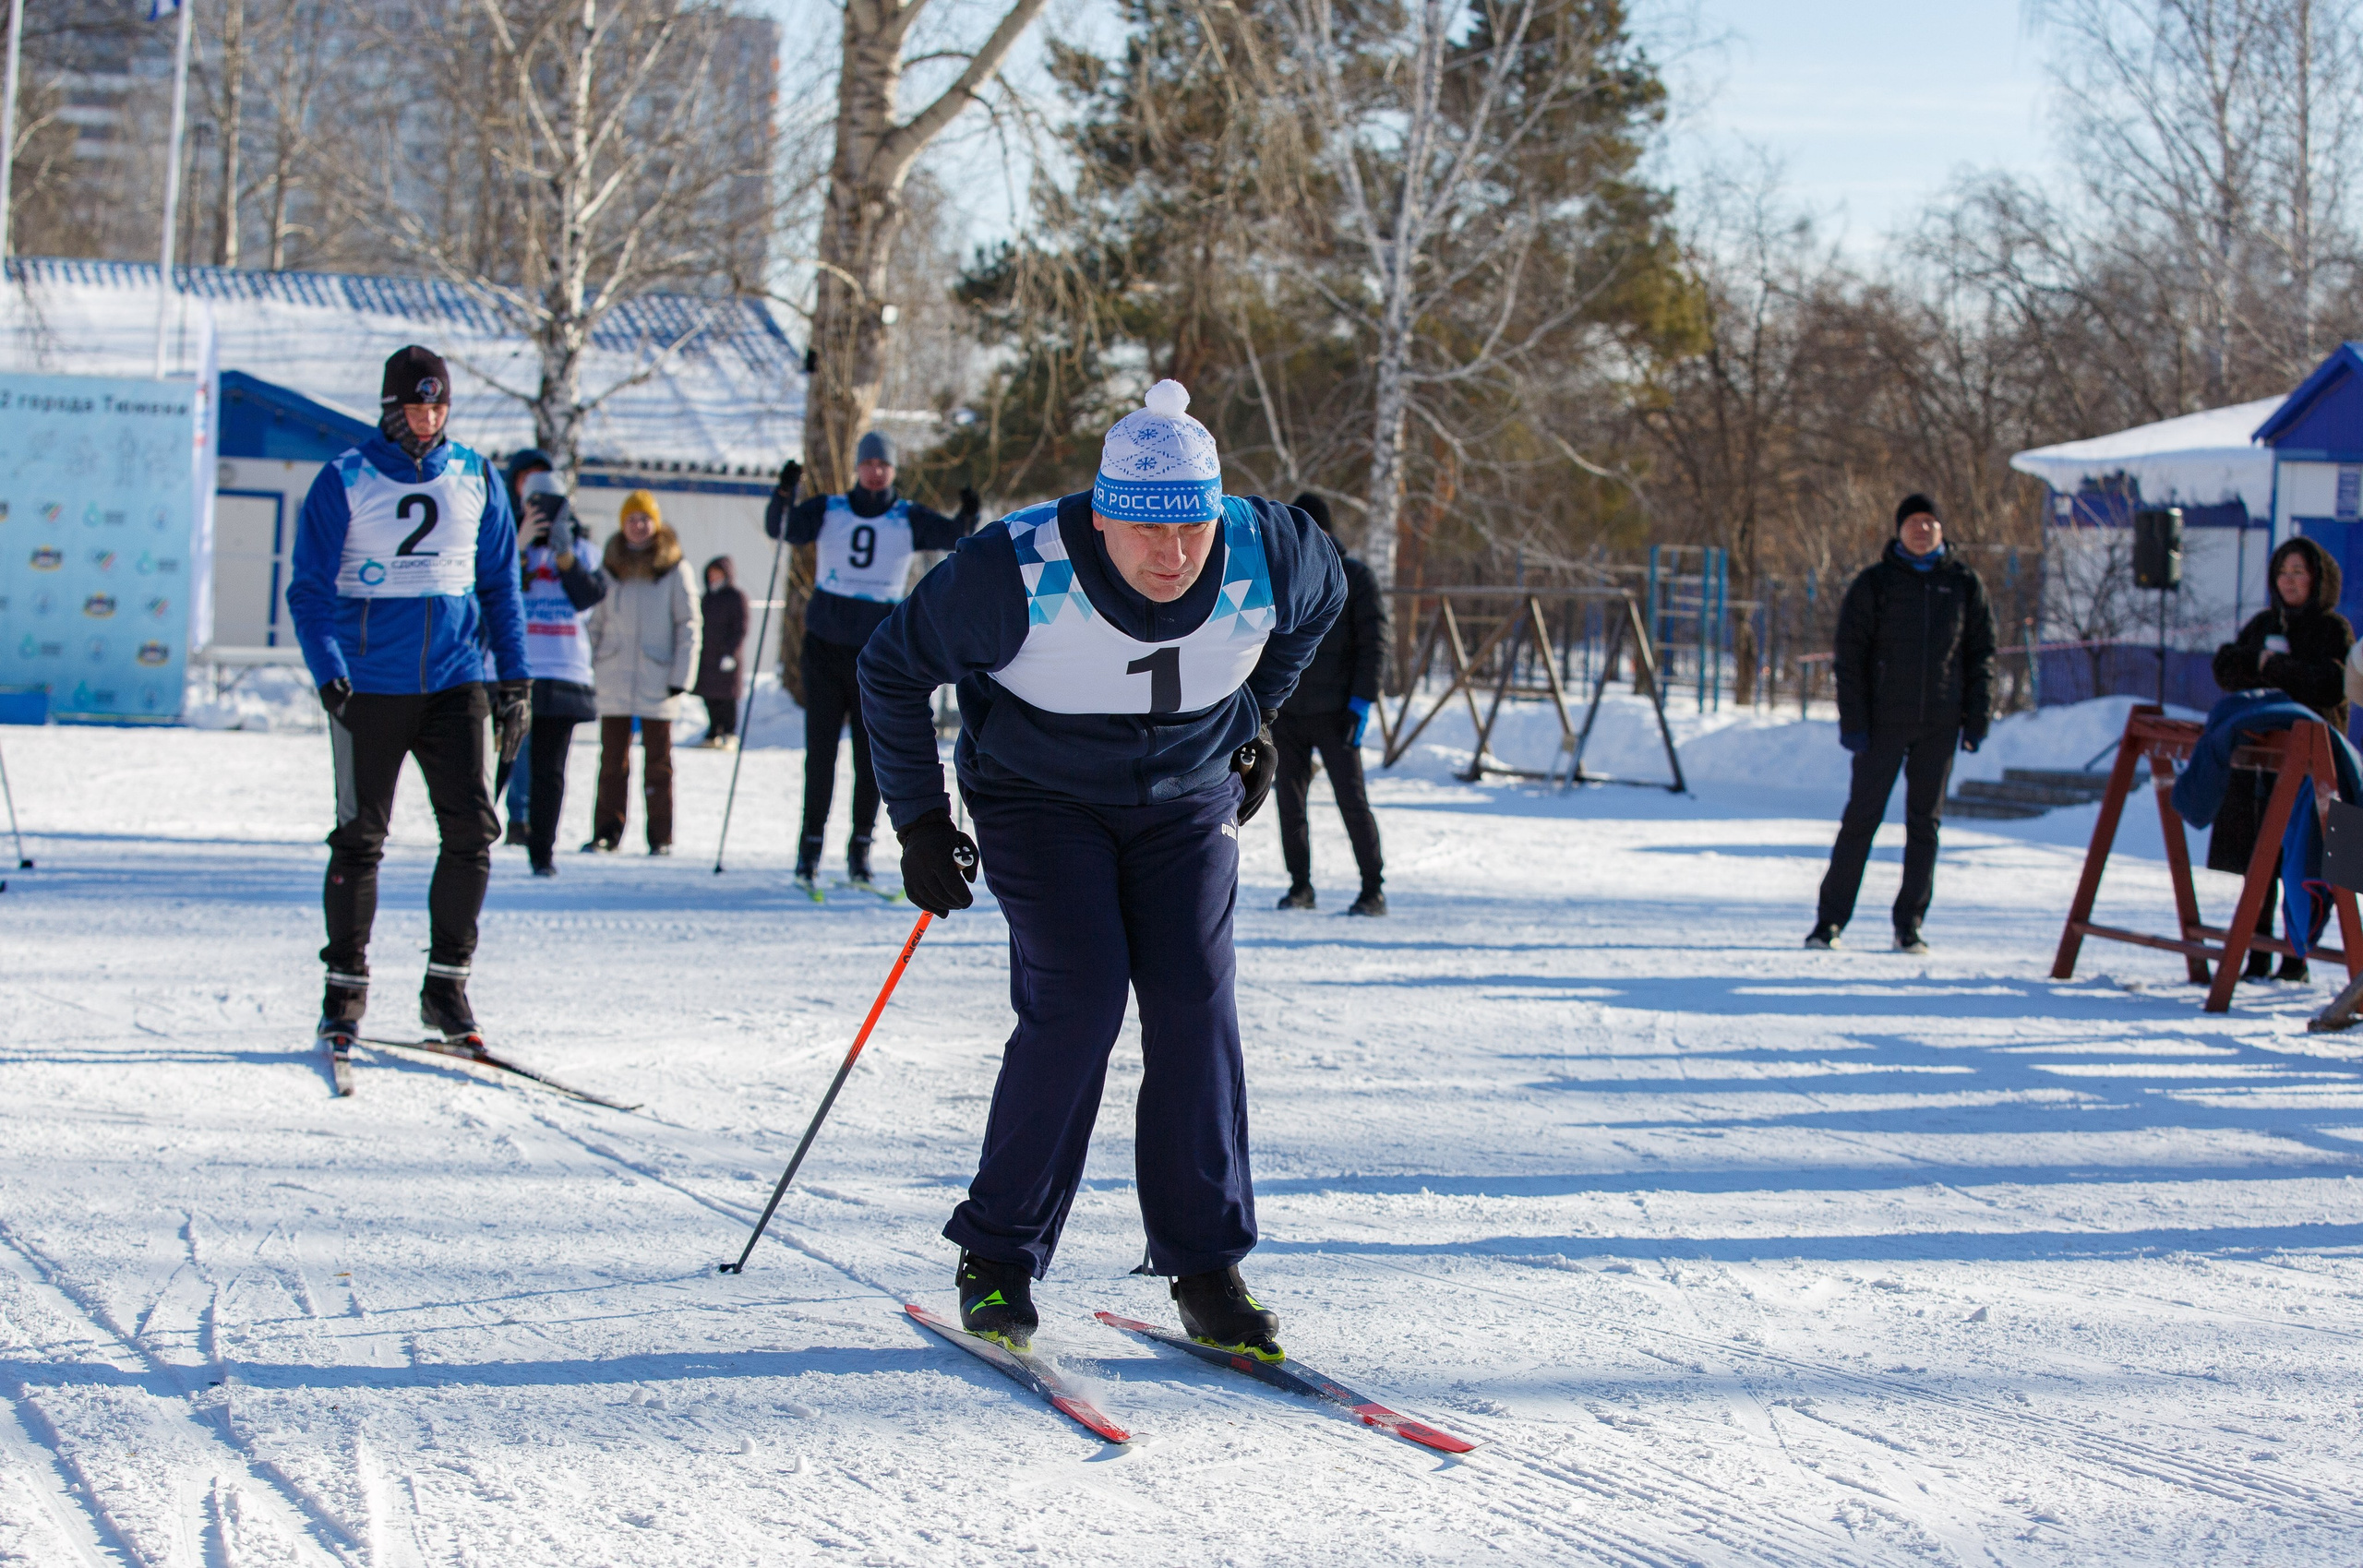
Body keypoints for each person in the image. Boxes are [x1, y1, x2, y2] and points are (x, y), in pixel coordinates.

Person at [859, 379, 1344, 1357]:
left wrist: (1252, 720)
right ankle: (995, 1257)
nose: (1171, 556)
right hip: (1039, 796)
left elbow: (1317, 609)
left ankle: (1206, 1265)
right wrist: (917, 821)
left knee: (1194, 998)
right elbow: (890, 667)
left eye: (1191, 531)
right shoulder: (1014, 568)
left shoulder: (1270, 548)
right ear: (1103, 510)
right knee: (1078, 996)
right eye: (1145, 531)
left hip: (1185, 797)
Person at [285, 345, 528, 1054]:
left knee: (474, 832)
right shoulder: (346, 479)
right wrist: (328, 668)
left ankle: (446, 986)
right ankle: (345, 993)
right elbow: (308, 588)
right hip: (369, 685)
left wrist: (514, 678)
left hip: (455, 681)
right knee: (360, 838)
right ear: (390, 409)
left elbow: (500, 587)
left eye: (439, 405)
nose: (428, 419)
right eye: (416, 406)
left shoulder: (477, 476)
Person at [764, 435, 978, 894]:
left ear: (893, 470)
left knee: (871, 759)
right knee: (820, 754)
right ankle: (809, 851)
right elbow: (782, 528)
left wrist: (968, 512)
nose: (876, 472)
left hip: (878, 655)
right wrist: (784, 493)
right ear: (858, 468)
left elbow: (959, 539)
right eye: (869, 464)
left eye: (884, 464)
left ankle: (860, 852)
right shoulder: (831, 509)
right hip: (824, 647)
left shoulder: (908, 517)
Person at [1806, 492, 1997, 955]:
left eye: (1930, 522)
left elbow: (1981, 655)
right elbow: (1849, 656)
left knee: (1924, 825)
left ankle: (1908, 925)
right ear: (1898, 529)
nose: (1922, 530)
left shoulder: (1964, 584)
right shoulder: (1875, 584)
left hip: (1940, 721)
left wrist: (1977, 716)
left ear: (1940, 529)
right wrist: (1854, 721)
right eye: (1914, 522)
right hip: (1881, 722)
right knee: (1860, 820)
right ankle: (1829, 922)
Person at [2213, 534, 2352, 982]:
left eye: (2299, 573)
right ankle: (2254, 952)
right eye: (2283, 573)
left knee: (2309, 859)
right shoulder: (2261, 623)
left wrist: (2272, 666)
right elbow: (2227, 668)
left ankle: (2298, 959)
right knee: (2259, 859)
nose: (2289, 581)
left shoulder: (2334, 630)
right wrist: (2261, 658)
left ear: (2317, 579)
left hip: (2318, 766)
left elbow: (2330, 684)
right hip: (2260, 761)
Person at [1272, 491, 1388, 916]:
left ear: (1324, 531)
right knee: (1289, 804)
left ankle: (1372, 890)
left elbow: (1374, 644)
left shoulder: (1356, 577)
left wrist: (1361, 702)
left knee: (1352, 802)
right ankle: (1300, 886)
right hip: (1287, 715)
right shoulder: (1283, 577)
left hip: (1338, 714)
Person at [585, 491, 700, 855]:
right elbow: (595, 623)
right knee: (612, 762)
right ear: (622, 524)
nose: (638, 526)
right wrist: (585, 666)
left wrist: (681, 677)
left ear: (656, 523)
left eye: (645, 519)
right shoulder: (609, 568)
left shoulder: (674, 568)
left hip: (658, 678)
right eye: (632, 519)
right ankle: (607, 831)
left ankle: (661, 837)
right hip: (613, 675)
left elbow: (688, 626)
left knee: (659, 765)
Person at [511, 466, 606, 875]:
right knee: (498, 762)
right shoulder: (510, 544)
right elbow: (491, 589)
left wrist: (564, 554)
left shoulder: (583, 550)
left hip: (563, 670)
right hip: (515, 668)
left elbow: (588, 597)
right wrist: (517, 544)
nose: (544, 514)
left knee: (550, 770)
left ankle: (542, 853)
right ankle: (472, 844)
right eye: (535, 505)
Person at [498, 449, 556, 844]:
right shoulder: (497, 523)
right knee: (500, 746)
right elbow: (496, 584)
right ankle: (483, 813)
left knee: (531, 745)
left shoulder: (564, 531)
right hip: (499, 655)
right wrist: (518, 545)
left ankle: (522, 818)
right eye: (524, 481)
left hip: (547, 659)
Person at [694, 556, 749, 747]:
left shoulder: (736, 597)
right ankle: (713, 731)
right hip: (707, 656)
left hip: (725, 657)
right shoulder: (707, 598)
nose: (713, 578)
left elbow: (740, 628)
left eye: (717, 573)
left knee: (727, 697)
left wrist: (731, 652)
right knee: (710, 697)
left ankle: (729, 732)